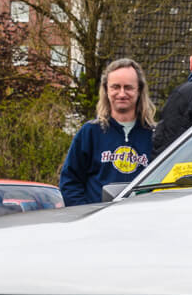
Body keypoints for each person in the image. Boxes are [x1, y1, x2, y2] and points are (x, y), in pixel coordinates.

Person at [59, 58, 155, 206]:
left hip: (140, 220)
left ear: (139, 90)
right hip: (98, 223)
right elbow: (70, 182)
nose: (122, 94)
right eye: (115, 87)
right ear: (106, 90)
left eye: (128, 87)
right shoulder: (90, 132)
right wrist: (86, 213)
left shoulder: (155, 135)